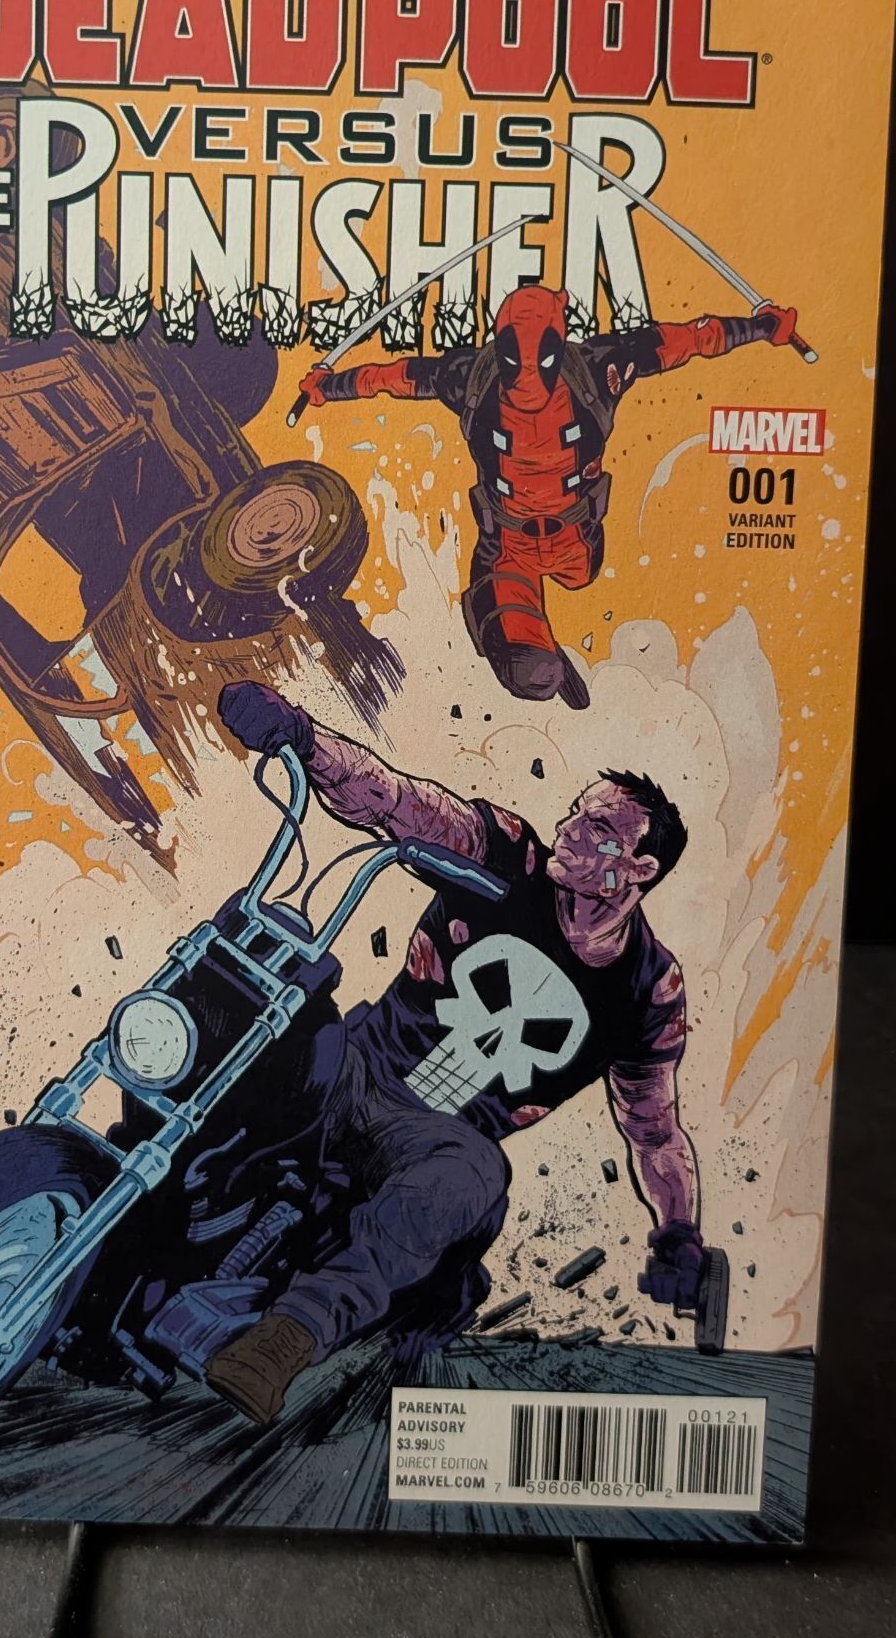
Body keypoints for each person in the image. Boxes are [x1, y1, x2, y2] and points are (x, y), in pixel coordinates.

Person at [203, 680, 706, 1425]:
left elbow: (654, 1130)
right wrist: (302, 737)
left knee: (474, 1173)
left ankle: (286, 1339)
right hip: (359, 1067)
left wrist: (678, 1231)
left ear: (641, 870)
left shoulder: (648, 990)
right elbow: (396, 800)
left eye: (598, 828)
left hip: (438, 1140)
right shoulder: (506, 854)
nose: (569, 828)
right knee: (263, 1011)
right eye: (575, 811)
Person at [295, 281, 797, 706]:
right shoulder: (485, 376)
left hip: (572, 543)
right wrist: (329, 387)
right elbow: (394, 378)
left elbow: (688, 339)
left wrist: (759, 328)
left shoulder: (588, 369)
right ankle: (543, 650)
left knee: (546, 609)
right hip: (511, 545)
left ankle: (541, 640)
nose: (528, 375)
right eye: (517, 358)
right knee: (527, 669)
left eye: (541, 356)